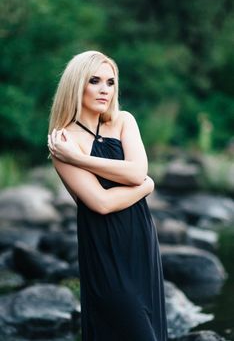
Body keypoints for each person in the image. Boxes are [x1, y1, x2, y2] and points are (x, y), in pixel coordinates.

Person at [48, 50, 168, 341]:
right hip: (104, 252)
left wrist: (80, 160)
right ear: (77, 85)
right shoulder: (63, 140)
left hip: (141, 243)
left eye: (111, 82)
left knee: (150, 326)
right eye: (95, 81)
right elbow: (101, 203)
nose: (105, 89)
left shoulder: (124, 121)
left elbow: (137, 171)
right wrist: (145, 187)